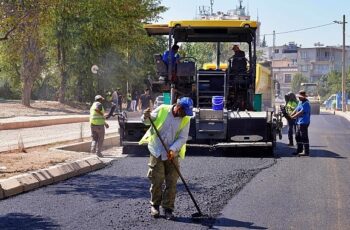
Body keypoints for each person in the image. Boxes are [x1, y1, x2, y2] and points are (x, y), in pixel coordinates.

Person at [139, 97, 193, 220]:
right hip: (157, 150)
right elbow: (148, 122)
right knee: (157, 179)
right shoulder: (163, 109)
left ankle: (168, 208)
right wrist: (146, 116)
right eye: (184, 112)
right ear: (178, 107)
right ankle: (155, 206)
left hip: (172, 153)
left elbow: (182, 138)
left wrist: (173, 149)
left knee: (172, 180)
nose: (185, 115)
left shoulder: (186, 119)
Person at [290, 90, 311, 156]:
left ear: (304, 97)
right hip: (299, 122)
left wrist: (293, 117)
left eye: (300, 97)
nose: (299, 98)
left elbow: (300, 112)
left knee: (304, 136)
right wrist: (291, 115)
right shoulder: (300, 102)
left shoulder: (306, 103)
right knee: (297, 136)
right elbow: (296, 109)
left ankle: (306, 151)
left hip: (304, 122)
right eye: (298, 96)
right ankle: (299, 150)